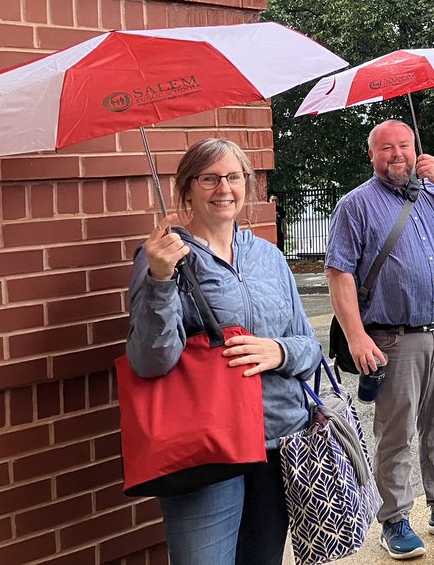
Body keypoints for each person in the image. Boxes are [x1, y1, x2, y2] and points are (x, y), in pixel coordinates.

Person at [127, 138, 321, 565]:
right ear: (186, 188)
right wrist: (160, 280)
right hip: (207, 447)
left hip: (277, 441)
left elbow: (310, 347)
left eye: (233, 177)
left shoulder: (268, 256)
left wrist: (278, 352)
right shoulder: (162, 258)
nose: (224, 188)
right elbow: (150, 361)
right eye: (209, 178)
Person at [325, 119, 434, 560]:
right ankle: (395, 519)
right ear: (372, 155)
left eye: (404, 145)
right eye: (386, 148)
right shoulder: (355, 205)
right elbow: (339, 273)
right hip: (394, 339)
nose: (397, 154)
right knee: (396, 433)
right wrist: (355, 336)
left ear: (415, 148)